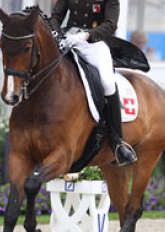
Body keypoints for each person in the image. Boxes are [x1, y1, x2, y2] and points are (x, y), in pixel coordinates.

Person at [50, 0, 137, 166]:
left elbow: (110, 25)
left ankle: (117, 141)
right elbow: (55, 17)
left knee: (107, 83)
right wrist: (58, 34)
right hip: (67, 39)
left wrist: (85, 36)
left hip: (94, 42)